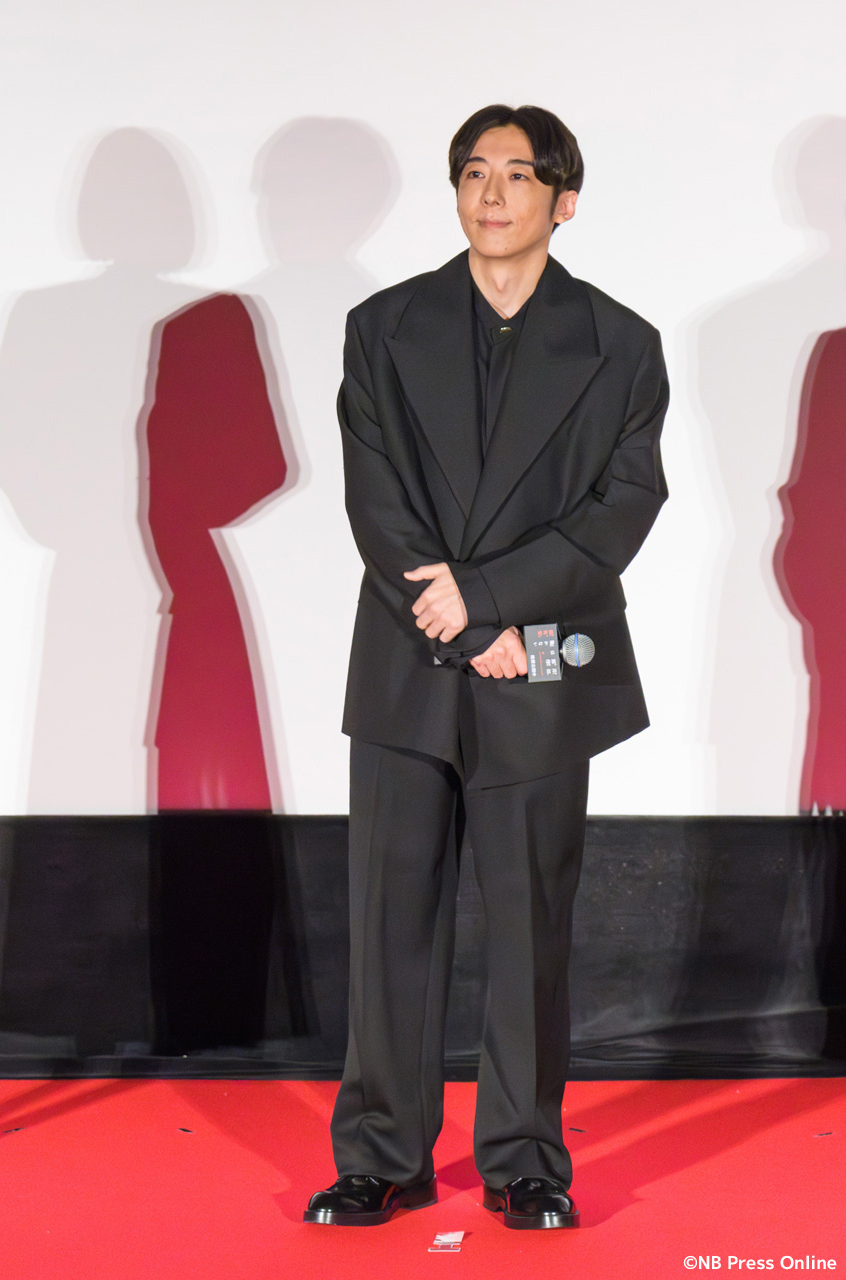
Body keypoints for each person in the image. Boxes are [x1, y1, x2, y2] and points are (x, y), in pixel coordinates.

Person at [304, 104, 669, 1230]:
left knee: (528, 923)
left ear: (565, 200)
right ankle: (381, 1152)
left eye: (518, 174)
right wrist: (469, 625)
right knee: (390, 915)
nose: (492, 194)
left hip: (541, 661)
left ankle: (524, 1158)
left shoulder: (620, 343)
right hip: (415, 655)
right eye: (473, 171)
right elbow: (376, 500)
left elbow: (623, 506)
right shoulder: (383, 326)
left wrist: (499, 601)